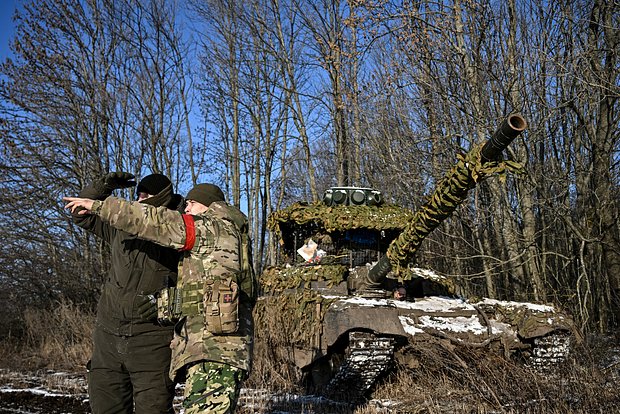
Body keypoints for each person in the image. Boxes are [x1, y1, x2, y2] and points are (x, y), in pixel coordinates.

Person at [65, 183, 255, 414]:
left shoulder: (212, 228)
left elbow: (158, 223)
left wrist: (100, 206)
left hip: (215, 351)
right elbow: (202, 294)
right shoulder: (226, 236)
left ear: (208, 206)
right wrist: (165, 303)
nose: (186, 209)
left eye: (192, 204)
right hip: (211, 350)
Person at [71, 172, 183, 414]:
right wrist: (101, 186)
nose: (139, 200)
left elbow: (195, 285)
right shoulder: (120, 227)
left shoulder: (178, 231)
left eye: (146, 196)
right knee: (105, 407)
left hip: (152, 343)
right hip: (108, 339)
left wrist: (169, 303)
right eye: (138, 195)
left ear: (162, 198)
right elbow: (80, 214)